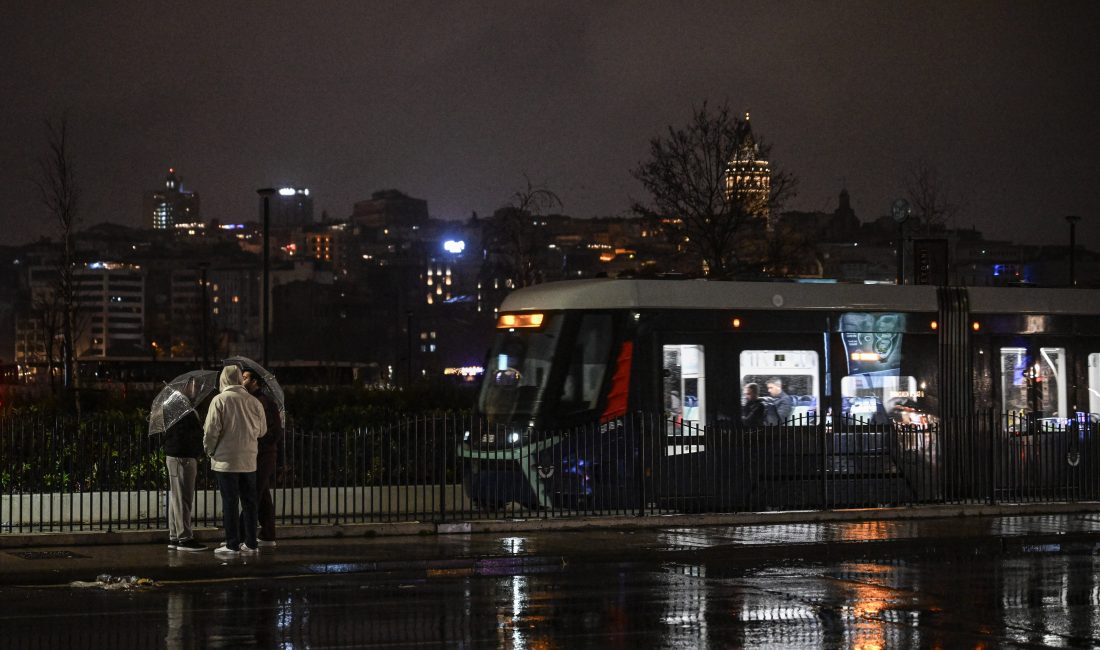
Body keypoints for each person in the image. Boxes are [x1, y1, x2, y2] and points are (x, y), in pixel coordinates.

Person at [203, 365, 267, 556]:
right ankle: (251, 543)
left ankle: (232, 544)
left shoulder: (219, 400)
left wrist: (210, 451)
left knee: (230, 503)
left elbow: (211, 431)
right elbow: (262, 431)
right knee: (250, 503)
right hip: (248, 461)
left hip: (226, 461)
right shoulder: (254, 402)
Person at [164, 378, 208, 552]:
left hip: (179, 455)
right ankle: (184, 537)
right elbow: (183, 433)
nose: (196, 388)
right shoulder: (179, 406)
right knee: (183, 498)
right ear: (185, 386)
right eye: (193, 384)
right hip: (182, 456)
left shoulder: (180, 405)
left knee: (179, 497)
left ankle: (175, 535)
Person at [242, 369, 284, 547]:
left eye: (245, 378)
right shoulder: (259, 400)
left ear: (255, 381)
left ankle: (238, 535)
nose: (241, 381)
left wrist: (258, 442)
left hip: (263, 454)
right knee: (263, 495)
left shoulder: (262, 402)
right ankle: (268, 534)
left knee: (252, 494)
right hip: (263, 453)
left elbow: (270, 431)